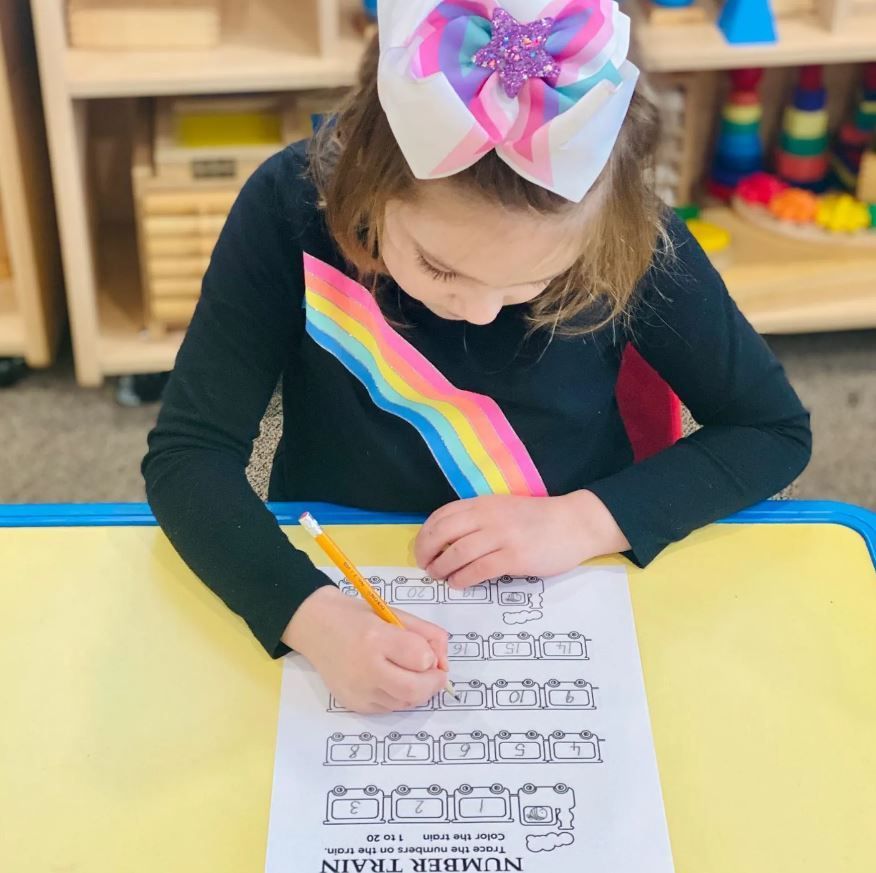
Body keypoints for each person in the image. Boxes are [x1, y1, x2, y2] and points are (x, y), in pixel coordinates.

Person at [143, 0, 811, 713]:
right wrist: (313, 617)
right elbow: (189, 456)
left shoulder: (633, 232)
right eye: (439, 267)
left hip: (570, 584)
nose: (480, 309)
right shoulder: (288, 208)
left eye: (536, 279)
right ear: (367, 180)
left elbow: (772, 431)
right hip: (339, 566)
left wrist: (583, 521)